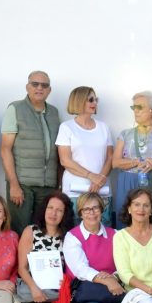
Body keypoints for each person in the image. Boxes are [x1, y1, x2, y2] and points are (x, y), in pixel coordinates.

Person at [0, 71, 62, 233]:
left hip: (48, 185)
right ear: (27, 87)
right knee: (21, 231)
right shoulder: (15, 109)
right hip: (22, 185)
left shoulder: (54, 113)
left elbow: (58, 150)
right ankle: (21, 260)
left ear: (49, 90)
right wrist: (14, 184)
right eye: (35, 84)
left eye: (44, 85)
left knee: (43, 231)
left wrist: (58, 185)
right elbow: (5, 149)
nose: (39, 88)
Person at [112, 90, 152, 227]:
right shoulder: (125, 134)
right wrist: (135, 162)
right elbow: (115, 162)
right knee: (125, 223)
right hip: (127, 183)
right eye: (134, 107)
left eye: (139, 107)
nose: (135, 111)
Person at [56, 86, 114, 225]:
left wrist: (100, 178)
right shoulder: (67, 127)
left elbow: (110, 157)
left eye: (96, 99)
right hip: (75, 190)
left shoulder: (103, 127)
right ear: (79, 101)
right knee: (76, 231)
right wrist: (91, 176)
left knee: (103, 229)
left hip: (102, 189)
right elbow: (65, 160)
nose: (95, 103)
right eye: (90, 99)